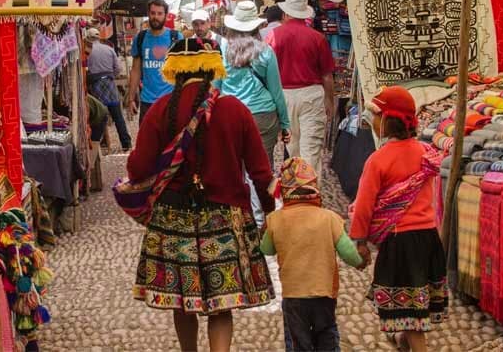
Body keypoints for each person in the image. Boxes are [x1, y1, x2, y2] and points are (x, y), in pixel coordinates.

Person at [128, 38, 275, 352]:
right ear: (212, 70)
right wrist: (269, 211)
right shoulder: (234, 109)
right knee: (221, 306)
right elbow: (261, 172)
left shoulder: (160, 110)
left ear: (175, 72)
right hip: (225, 217)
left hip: (172, 221)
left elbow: (138, 168)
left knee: (183, 302)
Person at [350, 86, 448, 352]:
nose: (375, 121)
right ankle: (403, 341)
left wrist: (359, 242)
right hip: (428, 238)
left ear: (388, 120)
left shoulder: (378, 160)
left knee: (412, 314)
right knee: (414, 303)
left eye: (377, 116)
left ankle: (416, 346)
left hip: (400, 243)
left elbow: (364, 206)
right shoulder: (425, 153)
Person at [261, 157, 364, 352]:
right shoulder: (329, 218)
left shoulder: (276, 220)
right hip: (323, 293)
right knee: (326, 333)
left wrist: (266, 229)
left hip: (293, 295)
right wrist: (360, 262)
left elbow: (267, 249)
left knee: (298, 339)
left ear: (284, 191)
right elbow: (348, 253)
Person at [217, 0, 290, 226]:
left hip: (231, 115)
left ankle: (239, 218)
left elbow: (217, 86)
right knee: (261, 170)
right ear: (256, 27)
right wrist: (285, 123)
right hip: (263, 116)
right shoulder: (266, 52)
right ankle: (261, 222)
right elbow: (276, 91)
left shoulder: (223, 50)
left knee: (233, 168)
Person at [271, 0, 335, 177]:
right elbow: (327, 76)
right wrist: (329, 101)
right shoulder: (317, 38)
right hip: (311, 96)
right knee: (311, 153)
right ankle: (312, 197)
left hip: (284, 97)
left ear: (285, 13)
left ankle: (297, 196)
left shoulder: (273, 36)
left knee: (293, 151)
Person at [128, 0, 183, 124]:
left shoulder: (175, 38)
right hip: (147, 101)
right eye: (153, 13)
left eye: (159, 13)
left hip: (170, 100)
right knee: (147, 140)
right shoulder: (140, 38)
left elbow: (183, 71)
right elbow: (136, 70)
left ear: (166, 15)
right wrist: (131, 99)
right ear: (148, 14)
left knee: (170, 141)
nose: (155, 17)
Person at [84, 28, 132, 151]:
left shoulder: (87, 51)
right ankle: (126, 143)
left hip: (95, 86)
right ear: (99, 37)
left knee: (99, 116)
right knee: (118, 117)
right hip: (109, 84)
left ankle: (99, 144)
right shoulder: (109, 49)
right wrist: (110, 76)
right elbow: (118, 68)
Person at [86, 94, 109, 191]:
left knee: (93, 148)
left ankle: (90, 181)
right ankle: (92, 181)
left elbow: (87, 116)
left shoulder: (81, 99)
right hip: (97, 115)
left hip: (98, 118)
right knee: (92, 147)